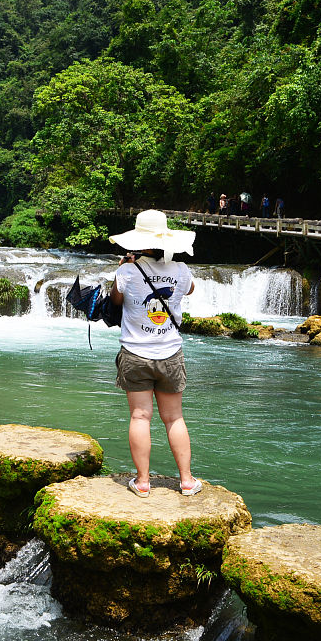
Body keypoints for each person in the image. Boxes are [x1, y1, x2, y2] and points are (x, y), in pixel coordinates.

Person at [107, 210, 201, 497]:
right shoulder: (181, 270)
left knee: (140, 417)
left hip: (135, 353)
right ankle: (186, 481)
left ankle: (143, 482)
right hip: (170, 353)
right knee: (174, 418)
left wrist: (126, 267)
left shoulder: (126, 271)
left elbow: (116, 300)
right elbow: (191, 289)